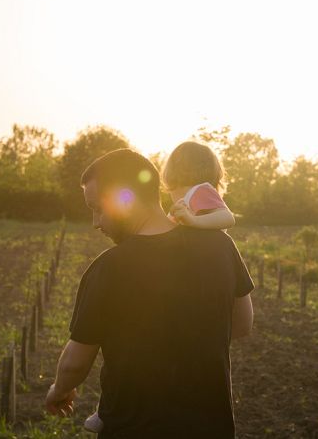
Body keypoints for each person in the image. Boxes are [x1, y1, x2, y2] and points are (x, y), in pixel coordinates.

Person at [44, 148, 254, 438]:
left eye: (97, 208)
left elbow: (75, 362)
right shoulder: (220, 246)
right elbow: (242, 323)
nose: (96, 222)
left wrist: (59, 389)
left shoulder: (108, 269)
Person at [83, 140, 236, 433]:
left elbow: (227, 217)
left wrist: (191, 221)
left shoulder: (201, 193)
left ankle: (110, 410)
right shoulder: (186, 204)